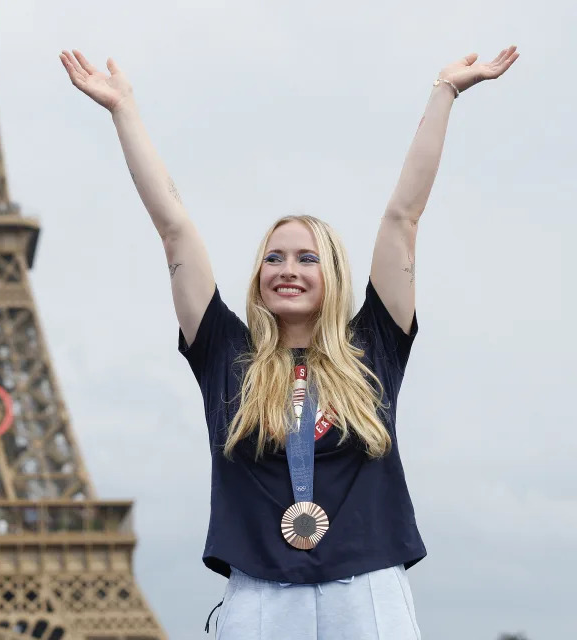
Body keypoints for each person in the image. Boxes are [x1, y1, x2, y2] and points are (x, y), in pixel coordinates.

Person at [59, 44, 519, 639]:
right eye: (273, 257)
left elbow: (403, 217)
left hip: (368, 587)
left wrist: (444, 92)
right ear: (257, 276)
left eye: (307, 257)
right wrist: (123, 110)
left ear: (333, 273)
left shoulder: (374, 345)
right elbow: (174, 230)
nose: (287, 268)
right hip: (259, 595)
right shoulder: (226, 354)